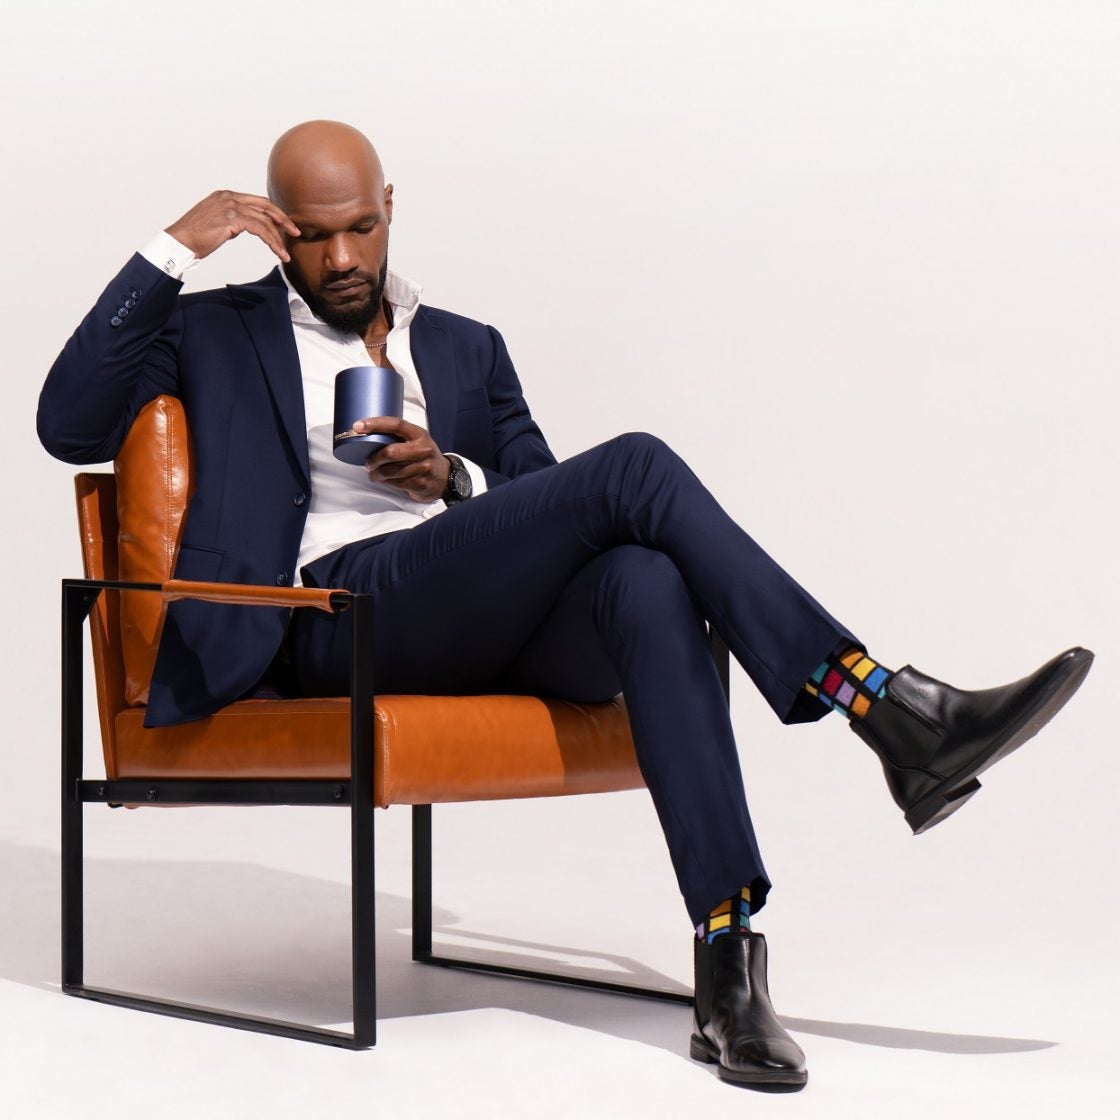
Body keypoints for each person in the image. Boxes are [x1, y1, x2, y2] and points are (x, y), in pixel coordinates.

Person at [38, 120, 1093, 1090]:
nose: (343, 259)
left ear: (391, 207)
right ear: (275, 231)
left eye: (360, 228)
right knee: (636, 466)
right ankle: (882, 706)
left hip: (474, 615)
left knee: (643, 578)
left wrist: (454, 477)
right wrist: (176, 246)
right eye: (313, 238)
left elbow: (549, 503)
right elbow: (67, 423)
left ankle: (728, 962)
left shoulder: (466, 345)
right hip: (338, 616)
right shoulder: (217, 331)